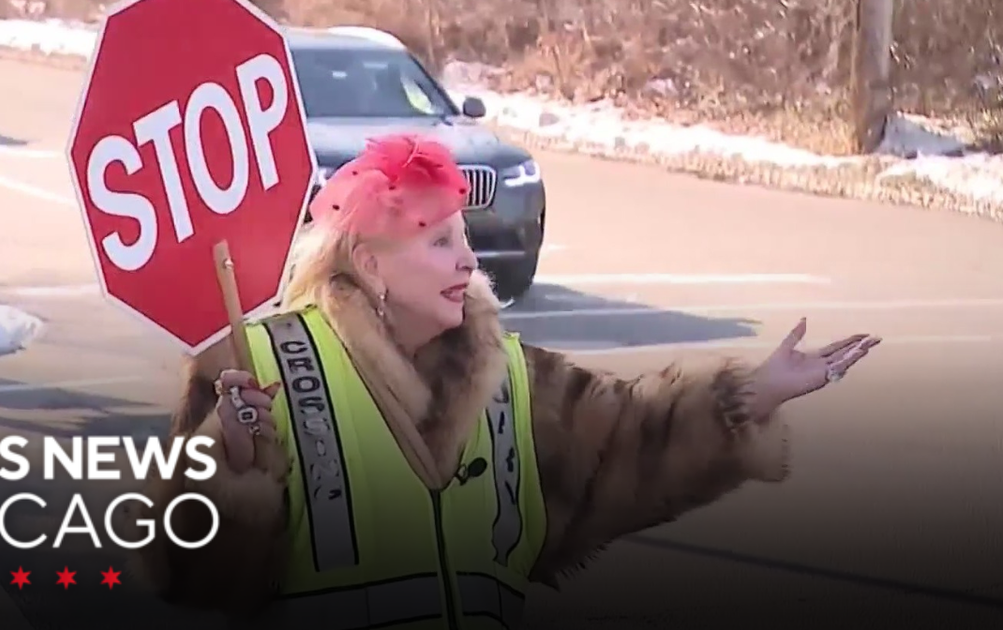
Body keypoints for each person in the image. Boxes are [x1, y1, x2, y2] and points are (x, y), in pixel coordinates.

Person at [134, 133, 880, 628]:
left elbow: (623, 444)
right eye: (438, 241)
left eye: (464, 239)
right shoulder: (254, 368)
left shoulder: (510, 376)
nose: (469, 262)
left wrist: (751, 394)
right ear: (368, 262)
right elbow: (184, 571)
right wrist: (227, 469)